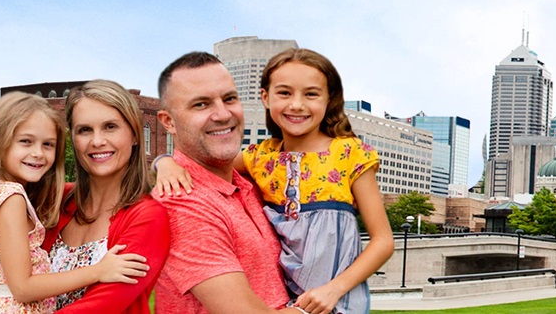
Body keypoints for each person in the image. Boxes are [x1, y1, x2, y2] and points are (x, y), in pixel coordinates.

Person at [158, 48, 393, 314]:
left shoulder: (351, 154)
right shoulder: (261, 158)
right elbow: (199, 163)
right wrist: (164, 163)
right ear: (265, 98)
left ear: (330, 100)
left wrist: (336, 289)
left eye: (311, 94)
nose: (297, 105)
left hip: (334, 297)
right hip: (291, 302)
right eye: (285, 93)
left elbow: (383, 240)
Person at [0, 93, 149, 313]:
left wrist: (162, 163)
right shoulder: (11, 198)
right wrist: (98, 271)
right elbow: (23, 288)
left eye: (48, 144)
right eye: (26, 141)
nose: (38, 153)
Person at [151, 52, 297, 314]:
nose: (222, 114)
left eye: (229, 99)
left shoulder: (249, 182)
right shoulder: (180, 200)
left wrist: (162, 161)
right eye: (201, 105)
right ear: (169, 122)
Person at [42, 80, 170, 314]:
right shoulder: (56, 200)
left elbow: (101, 306)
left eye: (110, 126)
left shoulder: (150, 216)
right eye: (84, 130)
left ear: (134, 135)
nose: (97, 141)